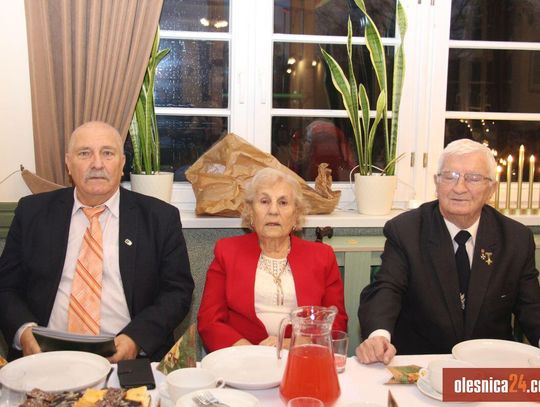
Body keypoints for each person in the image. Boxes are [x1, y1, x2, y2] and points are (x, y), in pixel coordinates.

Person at [0, 121, 194, 362]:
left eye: (107, 153)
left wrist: (136, 340)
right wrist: (24, 332)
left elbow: (177, 292)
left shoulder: (159, 218)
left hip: (127, 358)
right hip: (45, 356)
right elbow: (5, 287)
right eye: (84, 153)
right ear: (68, 163)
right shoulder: (32, 213)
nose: (97, 164)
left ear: (122, 163)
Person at [356, 139, 540, 364]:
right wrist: (379, 336)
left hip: (490, 365)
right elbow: (386, 288)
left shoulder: (515, 238)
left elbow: (532, 307)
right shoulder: (406, 230)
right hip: (422, 363)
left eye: (473, 178)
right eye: (450, 176)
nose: (459, 188)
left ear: (491, 189)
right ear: (437, 182)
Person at [197, 167, 348, 351]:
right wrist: (248, 352)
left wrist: (294, 344)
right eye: (264, 201)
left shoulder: (322, 256)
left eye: (283, 202)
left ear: (296, 214)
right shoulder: (227, 252)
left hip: (300, 355)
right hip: (242, 357)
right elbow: (209, 321)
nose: (273, 211)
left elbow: (337, 322)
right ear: (250, 212)